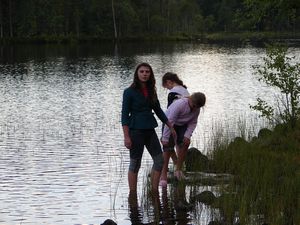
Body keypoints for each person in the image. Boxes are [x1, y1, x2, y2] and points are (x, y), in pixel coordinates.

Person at [121, 62, 176, 193]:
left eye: (147, 72)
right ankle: (132, 193)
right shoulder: (129, 92)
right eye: (142, 72)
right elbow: (124, 115)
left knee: (159, 161)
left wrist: (170, 126)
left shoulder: (152, 90)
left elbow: (158, 110)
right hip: (135, 131)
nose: (145, 74)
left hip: (150, 130)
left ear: (150, 74)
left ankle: (154, 190)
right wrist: (126, 137)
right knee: (135, 164)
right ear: (137, 74)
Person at [160, 92, 206, 185]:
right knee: (167, 148)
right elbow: (170, 120)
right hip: (169, 123)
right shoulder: (180, 105)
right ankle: (163, 175)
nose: (195, 108)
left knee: (185, 143)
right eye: (194, 106)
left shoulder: (197, 109)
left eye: (197, 107)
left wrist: (187, 136)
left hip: (182, 125)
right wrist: (165, 138)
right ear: (190, 100)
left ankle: (178, 170)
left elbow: (193, 122)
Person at [161, 72, 190, 184]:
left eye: (166, 86)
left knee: (166, 145)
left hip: (172, 121)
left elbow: (170, 110)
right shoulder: (185, 90)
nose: (168, 89)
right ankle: (178, 166)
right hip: (184, 122)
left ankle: (164, 174)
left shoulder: (173, 93)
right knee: (180, 144)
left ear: (169, 82)